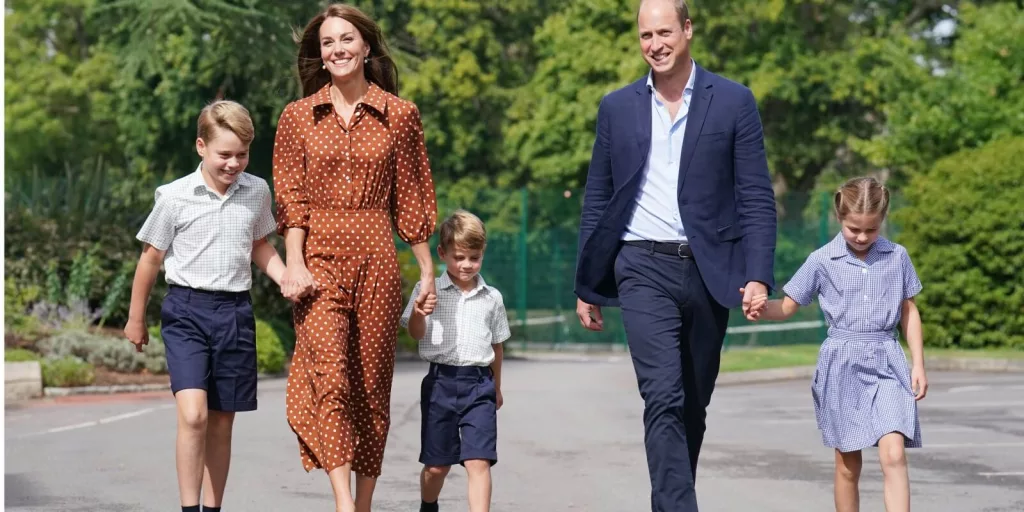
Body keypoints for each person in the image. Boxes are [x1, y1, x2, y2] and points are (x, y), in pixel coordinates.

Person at [573, 0, 777, 509]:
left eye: (664, 32)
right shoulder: (616, 107)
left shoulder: (733, 101)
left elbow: (755, 194)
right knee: (661, 396)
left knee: (692, 404)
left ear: (687, 30)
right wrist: (586, 282)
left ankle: (671, 496)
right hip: (640, 264)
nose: (655, 45)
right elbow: (598, 196)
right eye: (646, 35)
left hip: (710, 271)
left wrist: (758, 276)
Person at [272, 4, 438, 512]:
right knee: (332, 377)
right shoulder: (298, 117)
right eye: (327, 42)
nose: (337, 49)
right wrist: (294, 263)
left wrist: (427, 271)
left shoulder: (400, 114)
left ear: (366, 47)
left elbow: (411, 197)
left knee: (371, 386)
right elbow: (291, 198)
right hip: (318, 259)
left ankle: (362, 503)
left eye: (347, 39)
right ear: (319, 55)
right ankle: (343, 501)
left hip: (377, 260)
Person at [123, 100, 296, 512]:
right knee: (195, 415)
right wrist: (136, 318)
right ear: (201, 146)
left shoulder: (256, 191)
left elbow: (258, 243)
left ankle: (213, 508)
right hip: (186, 312)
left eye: (242, 154)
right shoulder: (174, 197)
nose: (234, 163)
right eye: (224, 154)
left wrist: (285, 275)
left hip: (235, 312)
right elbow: (150, 258)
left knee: (221, 420)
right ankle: (189, 508)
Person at [744, 177, 927, 512]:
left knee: (894, 454)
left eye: (870, 230)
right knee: (847, 465)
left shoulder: (897, 257)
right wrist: (758, 308)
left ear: (881, 222)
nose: (861, 237)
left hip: (888, 359)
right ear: (839, 218)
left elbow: (908, 310)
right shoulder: (821, 259)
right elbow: (787, 306)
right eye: (853, 228)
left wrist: (918, 363)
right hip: (842, 364)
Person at [400, 210, 510, 512]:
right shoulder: (426, 290)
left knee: (478, 461)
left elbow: (497, 347)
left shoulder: (492, 298)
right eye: (459, 257)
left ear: (482, 254)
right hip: (440, 384)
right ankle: (428, 504)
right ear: (442, 253)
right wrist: (421, 312)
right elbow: (414, 333)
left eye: (474, 258)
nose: (466, 265)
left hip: (479, 386)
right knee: (437, 467)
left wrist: (496, 388)